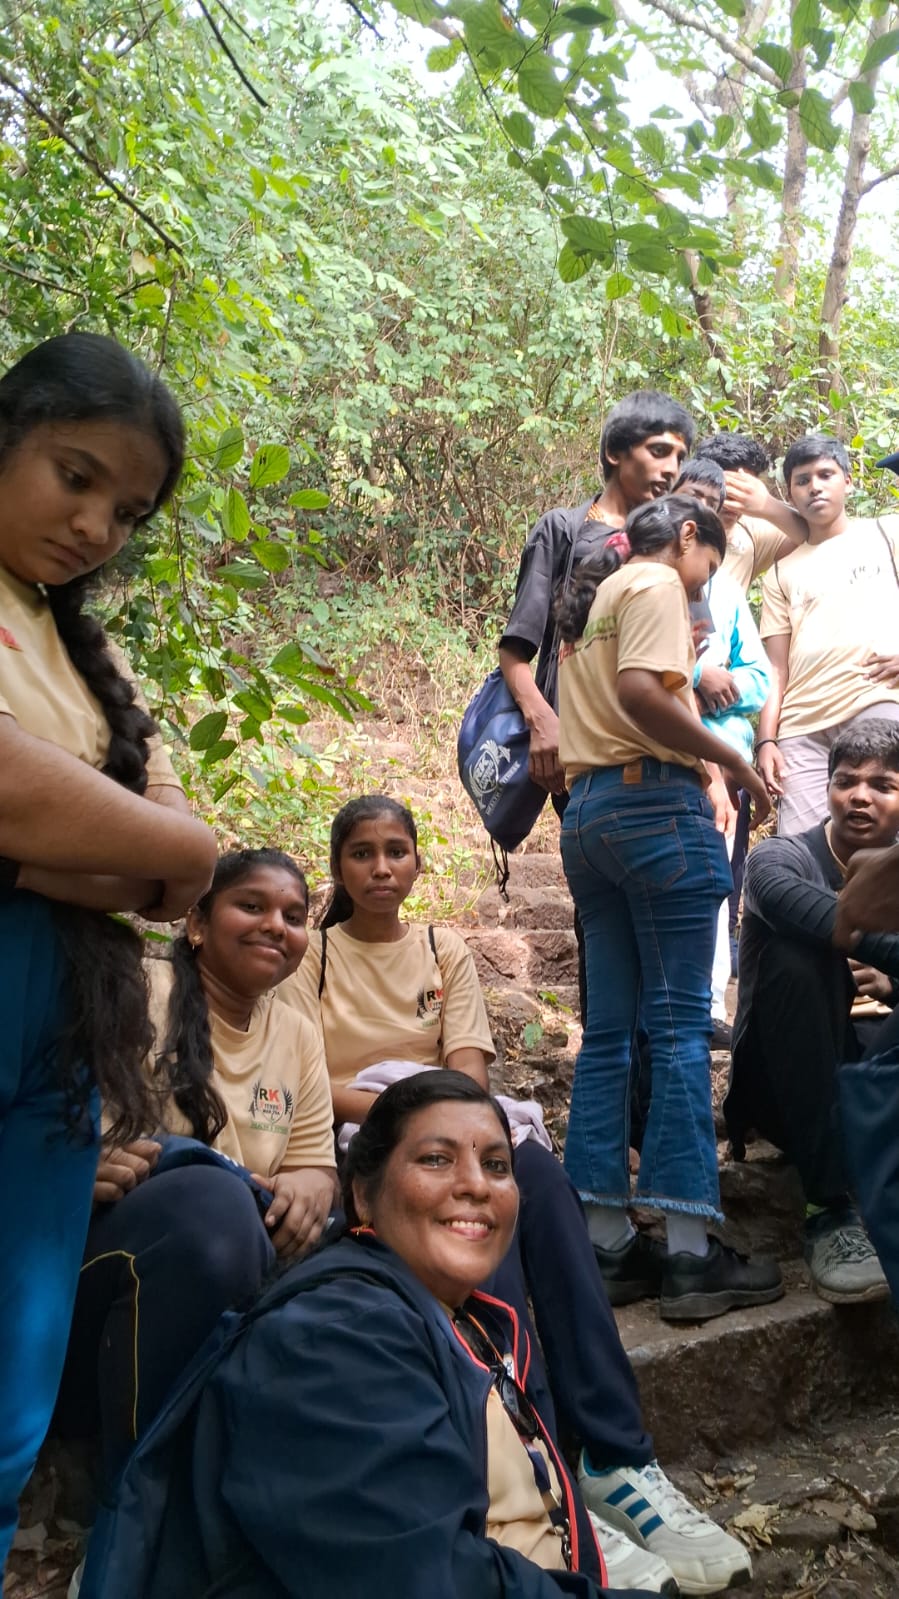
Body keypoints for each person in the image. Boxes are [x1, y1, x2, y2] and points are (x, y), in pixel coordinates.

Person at [282, 794, 752, 1595]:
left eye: (396, 850)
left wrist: (436, 1118)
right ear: (337, 866)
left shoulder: (443, 948)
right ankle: (533, 1466)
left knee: (530, 1174)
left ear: (419, 862)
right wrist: (411, 1114)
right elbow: (302, 1080)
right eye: (361, 852)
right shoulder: (310, 960)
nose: (380, 867)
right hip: (358, 1139)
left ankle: (611, 1453)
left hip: (445, 1122)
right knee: (466, 1190)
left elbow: (469, 1073)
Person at [79, 1073, 680, 1599]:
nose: (476, 1184)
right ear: (363, 1195)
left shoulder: (470, 1320)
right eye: (436, 1159)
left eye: (497, 1165)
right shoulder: (331, 1344)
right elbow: (423, 1578)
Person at [0, 332, 218, 1570]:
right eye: (72, 476)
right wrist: (136, 848)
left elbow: (170, 862)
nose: (93, 525)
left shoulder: (78, 654)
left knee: (8, 1405)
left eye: (125, 510)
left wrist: (43, 849)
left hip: (61, 1026)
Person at [555, 494, 782, 1321]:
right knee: (684, 1028)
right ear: (688, 537)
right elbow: (644, 698)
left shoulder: (597, 596)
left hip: (590, 815)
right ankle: (689, 1255)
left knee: (611, 1033)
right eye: (709, 566)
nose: (703, 586)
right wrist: (732, 758)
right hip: (655, 813)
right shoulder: (652, 582)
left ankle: (609, 1243)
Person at [55, 849, 337, 1493]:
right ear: (198, 924)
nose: (276, 925)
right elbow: (56, 1125)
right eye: (252, 905)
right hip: (97, 1295)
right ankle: (140, 1502)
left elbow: (316, 1166)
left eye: (295, 916)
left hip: (236, 1275)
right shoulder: (141, 991)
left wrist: (310, 1186)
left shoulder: (295, 1031)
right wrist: (81, 1162)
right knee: (213, 1207)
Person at [725, 722, 898, 1303]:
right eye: (846, 781)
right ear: (826, 790)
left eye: (883, 785)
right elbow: (795, 904)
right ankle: (829, 1210)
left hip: (880, 1078)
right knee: (799, 952)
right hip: (787, 1081)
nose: (860, 796)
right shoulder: (781, 857)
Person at [755, 434, 899, 835]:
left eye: (825, 475)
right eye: (802, 480)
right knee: (801, 846)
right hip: (802, 725)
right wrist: (766, 741)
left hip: (875, 698)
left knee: (883, 837)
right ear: (789, 492)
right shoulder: (781, 571)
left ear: (848, 482)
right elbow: (776, 669)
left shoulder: (887, 533)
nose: (814, 486)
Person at [674, 461, 772, 1042]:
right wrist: (693, 673)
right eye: (693, 498)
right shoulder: (640, 578)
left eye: (715, 502)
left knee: (717, 886)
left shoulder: (729, 590)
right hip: (671, 757)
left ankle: (709, 1005)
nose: (703, 511)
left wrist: (718, 684)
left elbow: (759, 679)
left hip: (725, 759)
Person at [692, 431, 806, 593]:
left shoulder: (751, 532)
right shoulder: (668, 523)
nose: (733, 501)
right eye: (728, 488)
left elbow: (817, 539)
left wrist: (766, 505)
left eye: (745, 490)